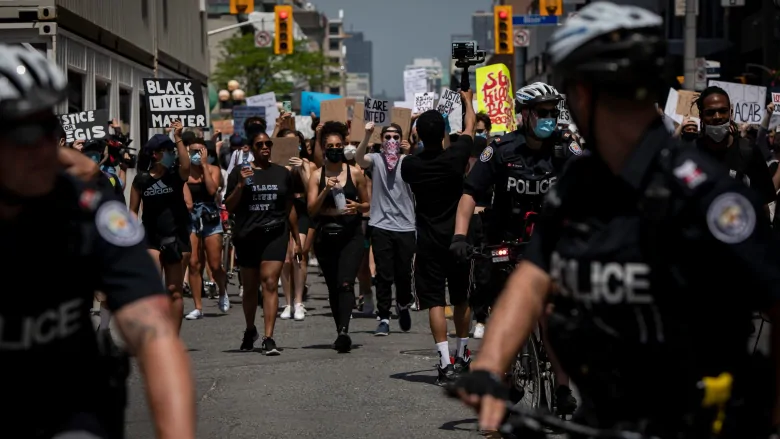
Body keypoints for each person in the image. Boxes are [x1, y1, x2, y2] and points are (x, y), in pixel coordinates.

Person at [450, 3, 780, 437]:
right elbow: (532, 277)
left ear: (586, 93)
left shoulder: (710, 198)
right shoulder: (578, 186)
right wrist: (491, 368)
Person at [0, 43, 195, 439]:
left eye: (48, 130)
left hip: (68, 404)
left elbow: (154, 333)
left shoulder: (88, 206)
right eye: (23, 132)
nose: (44, 147)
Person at [451, 81, 580, 412]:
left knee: (551, 315)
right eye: (543, 112)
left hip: (550, 245)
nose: (550, 118)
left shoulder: (566, 148)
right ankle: (508, 374)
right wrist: (460, 237)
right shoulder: (500, 149)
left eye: (554, 112)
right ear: (525, 115)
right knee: (504, 313)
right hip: (506, 243)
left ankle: (563, 388)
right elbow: (469, 195)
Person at [400, 91, 476, 385]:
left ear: (418, 135)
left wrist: (413, 125)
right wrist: (467, 100)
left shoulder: (411, 166)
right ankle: (463, 355)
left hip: (428, 241)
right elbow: (469, 128)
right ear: (445, 132)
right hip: (459, 238)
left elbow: (407, 149)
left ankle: (445, 364)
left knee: (434, 301)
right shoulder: (456, 158)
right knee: (461, 298)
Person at [225, 130, 302, 355]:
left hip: (275, 234)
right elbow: (228, 207)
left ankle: (269, 337)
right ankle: (250, 330)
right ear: (251, 148)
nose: (265, 147)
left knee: (270, 283)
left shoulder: (282, 173)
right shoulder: (240, 172)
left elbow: (289, 208)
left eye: (268, 143)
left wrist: (296, 239)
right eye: (260, 144)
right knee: (250, 288)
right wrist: (240, 184)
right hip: (247, 236)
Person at [307, 121, 370, 353]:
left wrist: (357, 206)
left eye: (338, 145)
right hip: (326, 237)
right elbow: (311, 210)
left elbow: (367, 204)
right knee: (334, 287)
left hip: (350, 236)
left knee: (345, 283)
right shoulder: (316, 176)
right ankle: (339, 328)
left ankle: (344, 332)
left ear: (344, 147)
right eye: (330, 146)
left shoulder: (355, 173)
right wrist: (325, 190)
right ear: (324, 149)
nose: (334, 149)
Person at [356, 122, 416, 336]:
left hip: (406, 226)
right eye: (387, 137)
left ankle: (402, 304)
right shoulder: (376, 160)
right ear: (381, 141)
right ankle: (383, 317)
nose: (391, 141)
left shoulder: (408, 161)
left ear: (401, 140)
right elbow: (358, 158)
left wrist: (410, 153)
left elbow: (419, 174)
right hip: (380, 224)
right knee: (383, 274)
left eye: (395, 137)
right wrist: (367, 134)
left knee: (403, 273)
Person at [130, 128, 192, 332]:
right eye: (167, 150)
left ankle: (172, 336)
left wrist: (178, 138)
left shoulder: (176, 175)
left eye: (172, 150)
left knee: (174, 290)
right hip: (150, 237)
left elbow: (186, 164)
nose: (171, 154)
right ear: (155, 154)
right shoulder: (141, 180)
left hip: (176, 236)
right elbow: (132, 211)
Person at [691, 86, 776, 207]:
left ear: (730, 113)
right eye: (710, 112)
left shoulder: (749, 151)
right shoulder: (690, 153)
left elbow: (763, 204)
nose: (717, 117)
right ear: (701, 116)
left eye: (722, 111)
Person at [184, 138, 230, 319]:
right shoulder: (184, 172)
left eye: (200, 151)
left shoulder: (214, 170)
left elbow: (212, 190)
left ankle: (222, 290)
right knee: (194, 263)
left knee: (214, 263)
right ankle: (198, 306)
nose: (196, 155)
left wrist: (204, 166)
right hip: (191, 217)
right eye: (193, 151)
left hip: (210, 216)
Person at [278, 128, 312, 321]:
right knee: (285, 260)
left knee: (298, 256)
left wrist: (300, 169)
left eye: (295, 143)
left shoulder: (305, 163)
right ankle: (288, 302)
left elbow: (311, 191)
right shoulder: (276, 165)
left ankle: (299, 302)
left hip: (300, 210)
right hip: (282, 210)